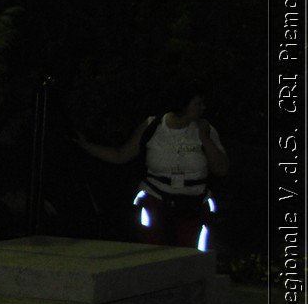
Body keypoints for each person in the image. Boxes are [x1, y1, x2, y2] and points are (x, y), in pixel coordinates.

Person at [75, 88, 230, 250]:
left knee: (192, 255)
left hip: (194, 202)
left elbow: (222, 169)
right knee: (151, 251)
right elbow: (121, 155)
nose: (202, 108)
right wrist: (87, 146)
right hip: (156, 198)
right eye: (198, 103)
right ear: (183, 105)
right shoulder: (153, 126)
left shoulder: (206, 129)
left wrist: (205, 138)